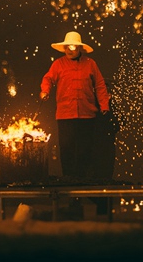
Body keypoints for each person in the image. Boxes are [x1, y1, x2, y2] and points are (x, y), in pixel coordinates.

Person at [40, 31, 110, 180]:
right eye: (67, 47)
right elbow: (48, 78)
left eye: (72, 47)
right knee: (66, 150)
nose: (69, 50)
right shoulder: (58, 64)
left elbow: (100, 85)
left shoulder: (90, 64)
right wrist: (45, 91)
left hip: (87, 114)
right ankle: (69, 181)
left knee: (85, 150)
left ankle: (83, 181)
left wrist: (104, 105)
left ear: (79, 48)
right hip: (65, 115)